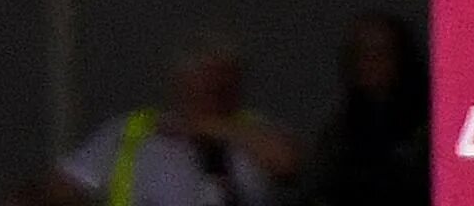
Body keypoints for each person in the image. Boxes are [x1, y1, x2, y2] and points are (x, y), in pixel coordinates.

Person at [44, 33, 301, 206]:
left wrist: (213, 128)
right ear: (181, 82)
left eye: (226, 80)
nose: (217, 89)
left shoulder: (256, 130)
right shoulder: (130, 132)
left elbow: (287, 163)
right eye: (206, 77)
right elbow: (65, 186)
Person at [300, 14, 428, 206]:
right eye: (360, 54)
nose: (369, 63)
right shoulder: (340, 129)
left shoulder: (428, 127)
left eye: (379, 53)